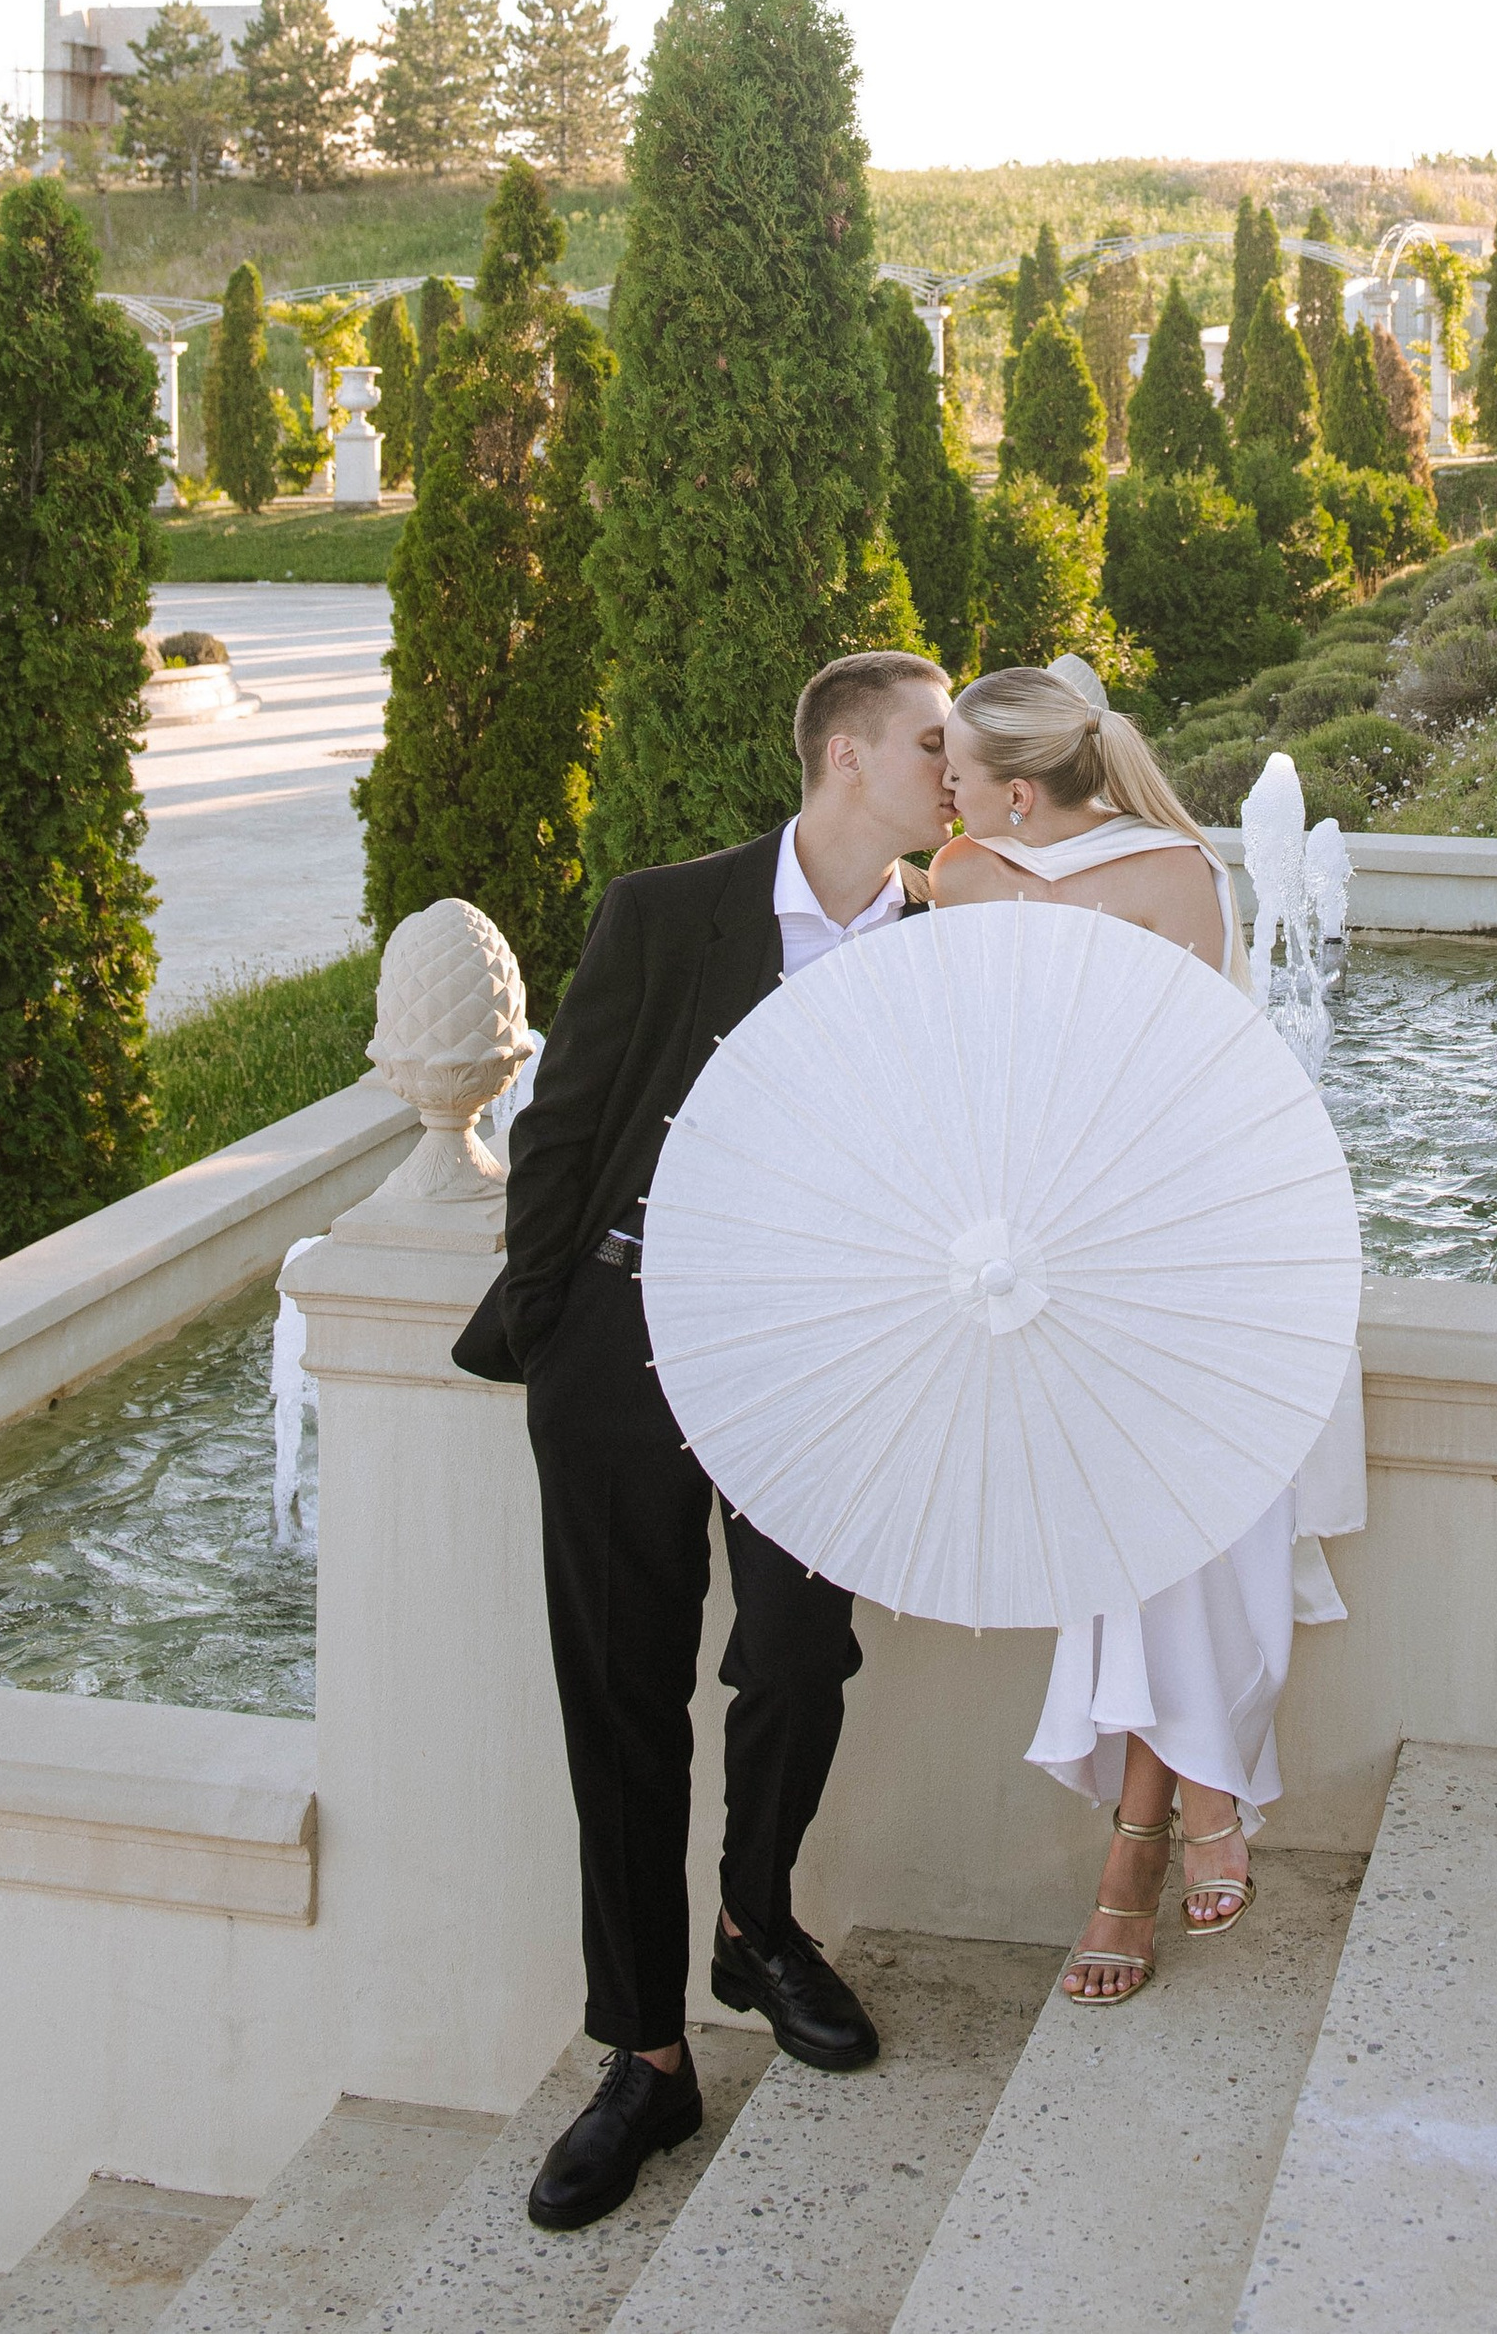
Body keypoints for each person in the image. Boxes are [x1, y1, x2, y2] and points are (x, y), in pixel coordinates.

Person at [454, 649, 956, 2229]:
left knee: (803, 1658)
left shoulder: (952, 948)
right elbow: (564, 1131)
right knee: (621, 1703)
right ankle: (647, 2059)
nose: (960, 765)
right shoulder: (667, 913)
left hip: (814, 1371)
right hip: (621, 1350)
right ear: (846, 760)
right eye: (935, 742)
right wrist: (555, 1336)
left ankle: (755, 1920)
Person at [929, 657, 1364, 2006]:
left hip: (1195, 1235)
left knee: (1191, 1523)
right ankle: (1202, 1798)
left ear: (1013, 788)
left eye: (951, 768)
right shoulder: (962, 873)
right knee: (1144, 1536)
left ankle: (1137, 1855)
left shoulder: (1175, 873)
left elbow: (1195, 1085)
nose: (935, 787)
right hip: (1038, 1250)